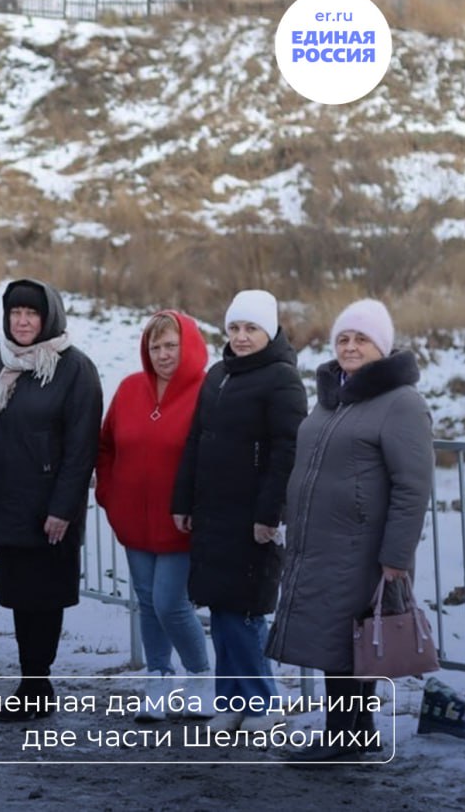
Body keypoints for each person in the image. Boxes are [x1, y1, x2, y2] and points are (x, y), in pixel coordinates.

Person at [267, 299, 433, 763]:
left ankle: (343, 736)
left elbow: (412, 485)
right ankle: (359, 734)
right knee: (344, 640)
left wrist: (396, 555)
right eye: (343, 338)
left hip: (364, 549)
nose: (350, 346)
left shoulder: (401, 402)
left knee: (344, 643)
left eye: (361, 338)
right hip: (321, 544)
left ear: (381, 346)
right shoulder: (332, 398)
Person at [171, 289, 307, 734]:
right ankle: (232, 701)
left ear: (269, 331)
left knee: (244, 612)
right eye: (235, 328)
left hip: (252, 517)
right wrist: (183, 502)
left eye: (251, 328)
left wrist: (270, 514)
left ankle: (266, 700)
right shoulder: (218, 374)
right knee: (223, 608)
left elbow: (287, 452)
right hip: (214, 514)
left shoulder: (282, 379)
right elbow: (196, 441)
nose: (242, 337)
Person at [0, 279, 101, 722]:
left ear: (49, 318)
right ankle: (31, 681)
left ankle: (36, 684)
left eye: (32, 313)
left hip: (49, 510)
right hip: (7, 502)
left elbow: (82, 448)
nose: (23, 321)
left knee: (43, 598)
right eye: (15, 313)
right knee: (19, 596)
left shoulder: (73, 368)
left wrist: (63, 508)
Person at [96, 310, 214, 722]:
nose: (163, 354)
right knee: (146, 602)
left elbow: (214, 457)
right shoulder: (130, 389)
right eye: (155, 346)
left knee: (170, 603)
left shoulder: (207, 391)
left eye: (171, 346)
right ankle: (158, 679)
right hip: (132, 520)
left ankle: (200, 675)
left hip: (182, 523)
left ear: (189, 347)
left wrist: (202, 506)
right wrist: (110, 494)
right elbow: (107, 445)